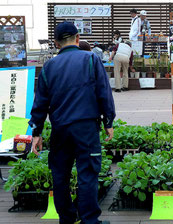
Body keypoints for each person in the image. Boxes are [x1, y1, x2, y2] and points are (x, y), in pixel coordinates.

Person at [28, 22, 115, 224]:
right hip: (86, 128)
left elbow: (40, 102)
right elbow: (104, 93)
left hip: (61, 129)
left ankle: (67, 219)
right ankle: (89, 220)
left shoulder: (49, 66)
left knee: (60, 176)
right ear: (77, 39)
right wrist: (108, 121)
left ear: (57, 44)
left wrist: (37, 132)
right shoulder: (91, 59)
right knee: (87, 174)